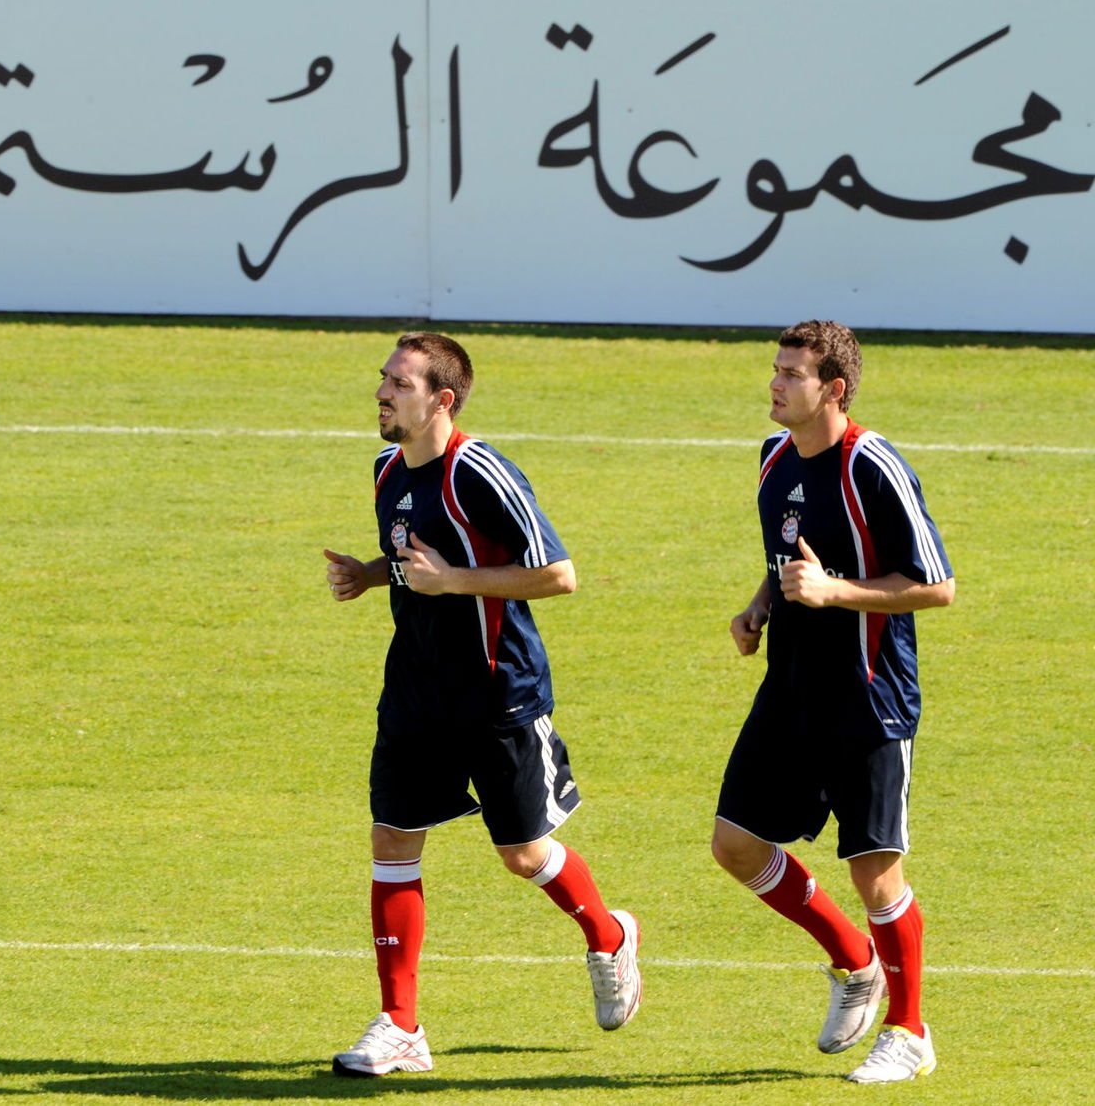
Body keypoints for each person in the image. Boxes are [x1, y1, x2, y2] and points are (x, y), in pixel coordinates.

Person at [322, 332, 640, 1078]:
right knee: (394, 840)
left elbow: (558, 574)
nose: (381, 393)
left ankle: (608, 933)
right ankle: (401, 1024)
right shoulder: (385, 471)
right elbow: (414, 562)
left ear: (443, 400)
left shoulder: (482, 472)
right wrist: (373, 574)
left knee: (521, 853)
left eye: (399, 384)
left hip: (498, 694)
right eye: (382, 379)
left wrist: (453, 581)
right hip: (415, 693)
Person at [713, 320, 955, 1084]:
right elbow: (786, 557)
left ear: (834, 388)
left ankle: (910, 1031)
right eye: (775, 368)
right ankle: (854, 960)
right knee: (737, 844)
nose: (775, 382)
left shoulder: (872, 466)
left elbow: (935, 584)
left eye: (792, 373)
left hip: (869, 696)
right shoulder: (773, 458)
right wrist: (761, 604)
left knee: (875, 872)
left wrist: (832, 593)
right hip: (790, 690)